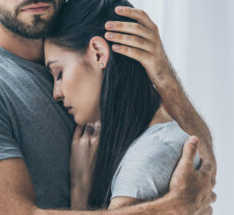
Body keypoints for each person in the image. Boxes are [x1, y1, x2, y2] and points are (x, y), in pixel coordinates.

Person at [0, 0, 216, 214]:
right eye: (56, 75)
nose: (57, 92)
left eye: (59, 75)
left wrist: (163, 74)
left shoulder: (89, 62)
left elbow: (200, 162)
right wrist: (172, 207)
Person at [44, 0, 205, 210]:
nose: (56, 93)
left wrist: (80, 189)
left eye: (59, 74)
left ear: (98, 53)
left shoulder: (147, 157)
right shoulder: (162, 137)